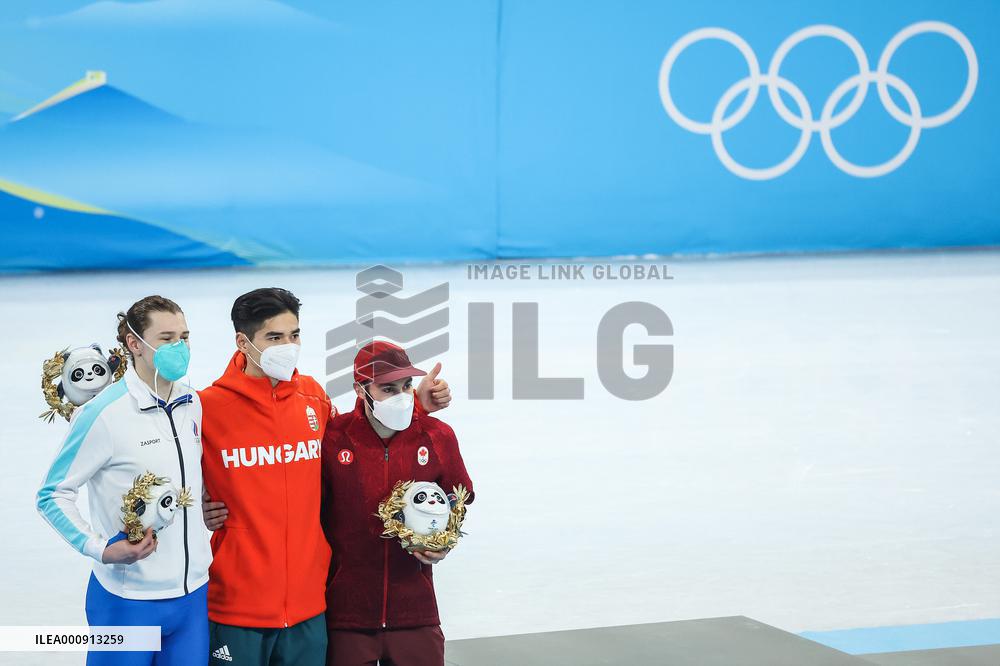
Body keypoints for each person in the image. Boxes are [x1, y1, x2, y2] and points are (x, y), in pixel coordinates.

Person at [199, 289, 451, 666]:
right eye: (274, 337)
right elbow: (175, 474)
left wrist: (414, 406)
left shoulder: (312, 398)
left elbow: (357, 440)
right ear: (243, 341)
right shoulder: (208, 408)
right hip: (238, 604)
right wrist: (199, 506)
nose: (289, 346)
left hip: (310, 606)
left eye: (294, 335)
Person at [36, 295, 213, 665]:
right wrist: (98, 548)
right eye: (166, 339)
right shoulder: (102, 413)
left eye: (184, 336)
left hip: (193, 597)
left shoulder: (191, 403)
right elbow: (52, 494)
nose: (179, 347)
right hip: (126, 602)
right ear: (135, 344)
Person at [320, 341, 474, 666]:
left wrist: (443, 542)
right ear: (360, 389)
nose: (401, 396)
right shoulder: (332, 438)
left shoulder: (437, 435)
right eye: (387, 388)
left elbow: (458, 498)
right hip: (347, 615)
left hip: (415, 611)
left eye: (406, 386)